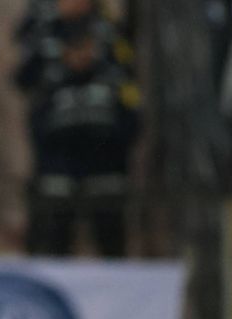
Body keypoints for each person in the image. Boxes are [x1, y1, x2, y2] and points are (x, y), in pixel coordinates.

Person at [18, 18, 141, 257]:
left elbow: (132, 122)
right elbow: (37, 125)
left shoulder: (114, 82)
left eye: (85, 47)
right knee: (55, 239)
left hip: (106, 174)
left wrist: (113, 152)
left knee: (111, 239)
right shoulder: (51, 84)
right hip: (60, 176)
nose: (80, 55)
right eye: (74, 49)